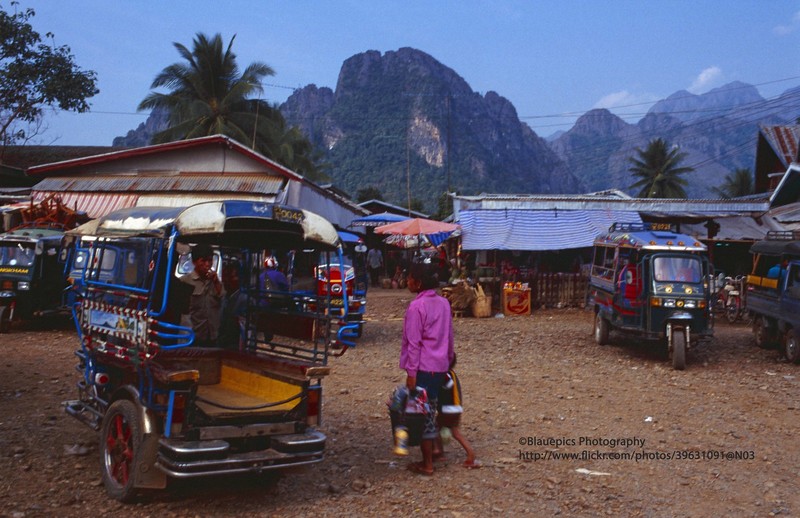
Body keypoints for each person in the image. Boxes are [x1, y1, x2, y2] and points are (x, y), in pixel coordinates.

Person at [400, 261, 455, 476]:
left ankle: (427, 463)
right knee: (432, 410)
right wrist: (448, 361)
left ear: (418, 282)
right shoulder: (444, 303)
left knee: (421, 416)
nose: (407, 281)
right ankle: (437, 452)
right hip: (440, 367)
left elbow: (414, 344)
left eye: (410, 277)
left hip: (423, 368)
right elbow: (449, 336)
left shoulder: (416, 307)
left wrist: (411, 373)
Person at [434, 354, 479, 468]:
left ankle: (438, 452)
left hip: (448, 409)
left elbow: (441, 388)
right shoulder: (452, 374)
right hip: (456, 408)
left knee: (435, 427)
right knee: (455, 432)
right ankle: (470, 454)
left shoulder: (446, 376)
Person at [179, 243, 225, 347]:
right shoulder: (186, 281)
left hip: (213, 336)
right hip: (194, 336)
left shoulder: (215, 282)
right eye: (203, 261)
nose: (207, 264)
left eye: (210, 260)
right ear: (194, 262)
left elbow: (222, 299)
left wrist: (216, 282)